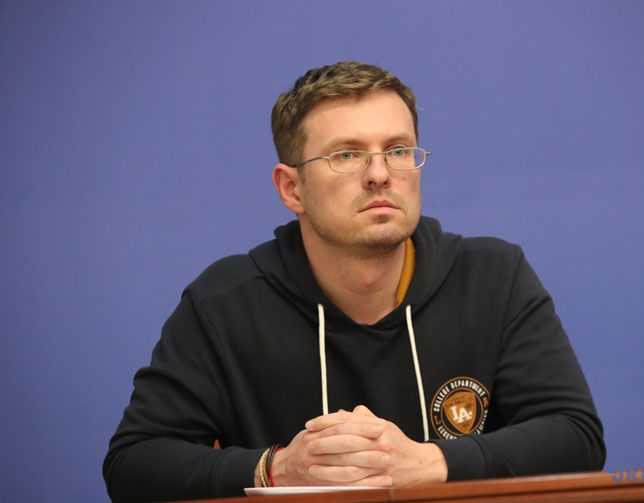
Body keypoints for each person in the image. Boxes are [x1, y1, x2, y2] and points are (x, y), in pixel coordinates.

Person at [103, 61, 605, 502]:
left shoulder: (492, 276)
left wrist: (428, 463)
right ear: (292, 188)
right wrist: (277, 469)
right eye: (346, 155)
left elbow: (575, 436)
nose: (380, 174)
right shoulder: (225, 303)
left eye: (399, 150)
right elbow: (133, 464)